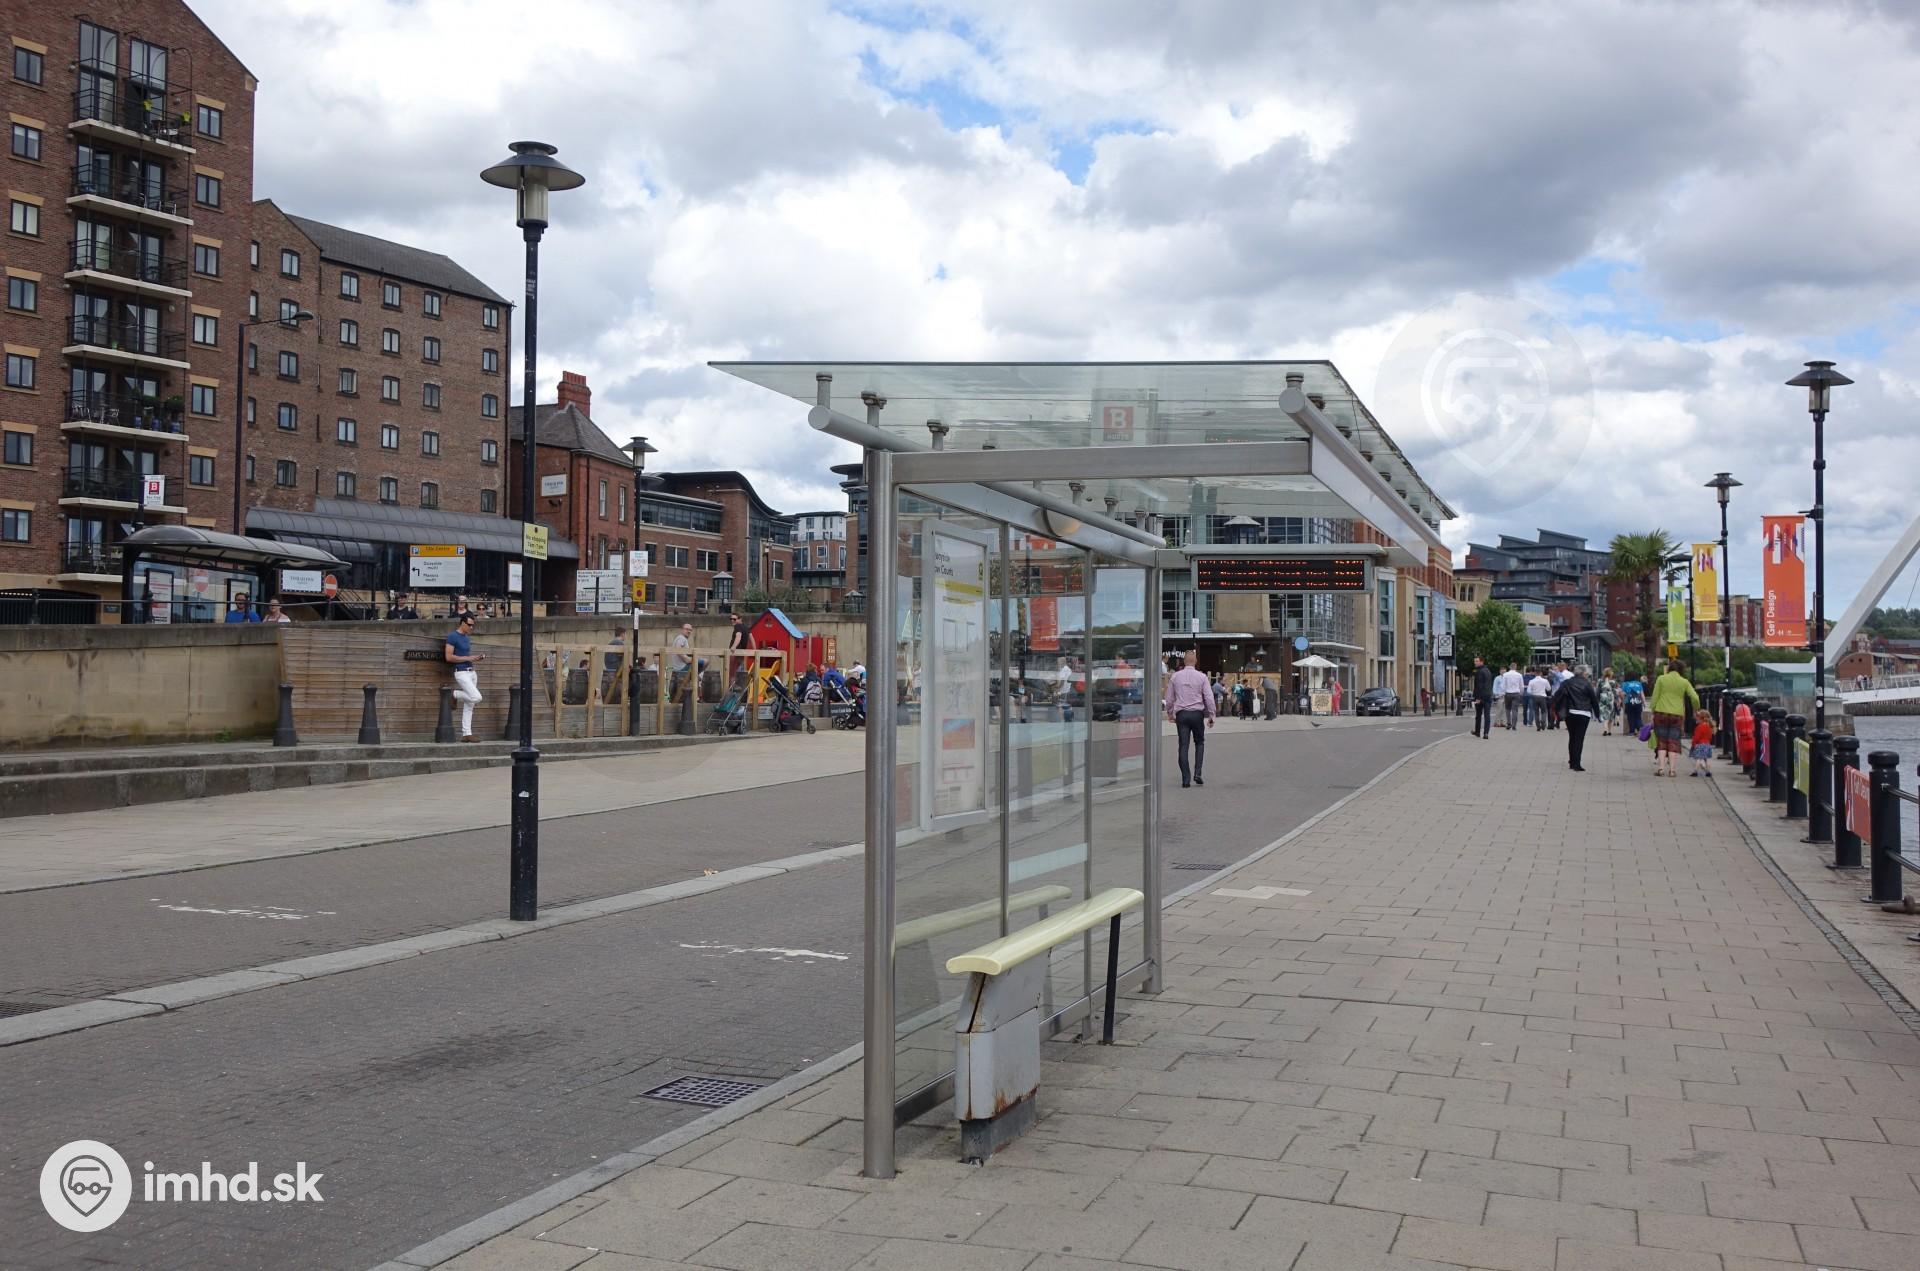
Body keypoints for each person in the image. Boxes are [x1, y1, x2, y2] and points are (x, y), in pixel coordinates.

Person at [1163, 648, 1215, 787]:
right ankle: (1197, 773)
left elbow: (1169, 698)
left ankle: (1186, 779)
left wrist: (1170, 712)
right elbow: (1209, 697)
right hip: (1197, 714)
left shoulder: (1175, 677)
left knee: (1183, 745)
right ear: (1195, 661)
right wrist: (1211, 715)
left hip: (1182, 714)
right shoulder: (1202, 677)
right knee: (1199, 742)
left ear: (1184, 661)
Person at [1648, 659, 1700, 778]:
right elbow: (1695, 697)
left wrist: (1653, 711)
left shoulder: (1661, 679)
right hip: (1677, 714)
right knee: (1673, 741)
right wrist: (1696, 709)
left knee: (1661, 741)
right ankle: (1672, 770)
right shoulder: (1684, 682)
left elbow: (1655, 697)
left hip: (1661, 712)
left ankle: (1661, 768)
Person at [1551, 663, 1600, 771]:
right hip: (1584, 714)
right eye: (1587, 674)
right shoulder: (1587, 684)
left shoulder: (1567, 683)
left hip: (1570, 713)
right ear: (1584, 673)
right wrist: (1597, 714)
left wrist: (1557, 709)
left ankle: (1572, 761)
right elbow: (1594, 700)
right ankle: (1576, 764)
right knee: (1579, 738)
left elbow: (1557, 695)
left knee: (1572, 737)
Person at [444, 613, 485, 741]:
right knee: (476, 697)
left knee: (470, 704)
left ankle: (466, 734)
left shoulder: (466, 638)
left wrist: (476, 658)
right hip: (461, 672)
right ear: (462, 623)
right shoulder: (452, 636)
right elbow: (448, 657)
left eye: (473, 625)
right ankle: (455, 694)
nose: (471, 627)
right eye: (469, 625)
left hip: (471, 672)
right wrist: (469, 658)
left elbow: (466, 656)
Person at [1470, 655, 1494, 739]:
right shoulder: (1488, 671)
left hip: (1481, 696)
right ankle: (1486, 733)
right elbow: (1489, 684)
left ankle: (1477, 732)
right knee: (1487, 715)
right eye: (1474, 661)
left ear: (1481, 662)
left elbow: (1479, 686)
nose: (1475, 663)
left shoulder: (1479, 671)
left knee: (1478, 715)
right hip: (1488, 696)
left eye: (1477, 661)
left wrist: (1478, 698)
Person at [1690, 708, 1716, 777]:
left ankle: (1695, 771)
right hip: (1707, 745)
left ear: (1701, 719)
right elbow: (1710, 737)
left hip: (1700, 745)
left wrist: (1693, 744)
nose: (1696, 719)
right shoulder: (1709, 727)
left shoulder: (1699, 727)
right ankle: (1708, 771)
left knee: (1698, 759)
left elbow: (1696, 737)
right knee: (1706, 759)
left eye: (1697, 718)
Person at [1620, 671, 1647, 738]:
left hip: (1629, 703)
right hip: (1638, 703)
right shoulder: (1638, 683)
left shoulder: (1625, 684)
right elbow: (1642, 694)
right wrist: (1644, 703)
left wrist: (1623, 701)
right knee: (1638, 717)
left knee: (1630, 717)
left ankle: (1632, 732)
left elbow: (1622, 694)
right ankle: (1640, 730)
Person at [1500, 663, 1525, 731]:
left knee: (1507, 709)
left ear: (1510, 667)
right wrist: (1521, 693)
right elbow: (1521, 686)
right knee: (1515, 710)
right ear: (1515, 667)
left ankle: (1508, 723)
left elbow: (1503, 685)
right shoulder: (1519, 675)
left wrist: (1503, 692)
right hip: (1516, 693)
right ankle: (1514, 725)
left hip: (1508, 693)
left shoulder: (1505, 675)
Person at [1596, 668, 1619, 736]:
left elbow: (1598, 691)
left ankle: (1605, 729)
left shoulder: (1600, 681)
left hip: (1603, 698)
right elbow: (1615, 691)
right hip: (1610, 698)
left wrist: (1597, 699)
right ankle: (1609, 731)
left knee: (1604, 714)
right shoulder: (1613, 682)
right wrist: (1617, 699)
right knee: (1611, 714)